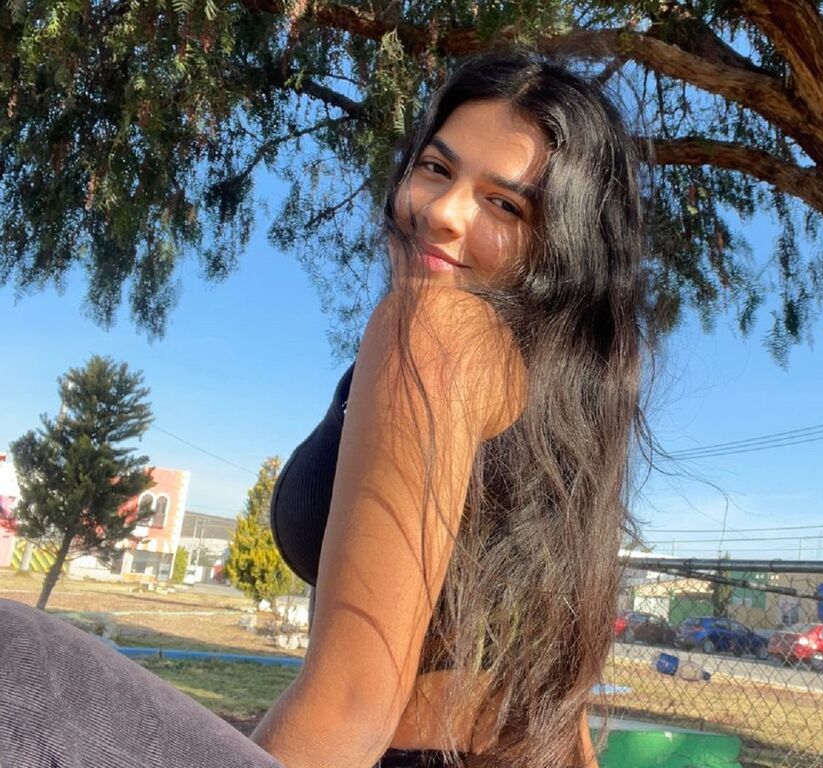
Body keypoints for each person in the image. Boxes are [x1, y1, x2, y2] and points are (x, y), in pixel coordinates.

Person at [0, 49, 651, 768]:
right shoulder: (563, 407)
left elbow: (352, 706)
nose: (442, 211)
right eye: (436, 168)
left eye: (505, 204)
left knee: (15, 661)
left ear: (558, 248)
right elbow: (559, 704)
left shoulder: (436, 333)